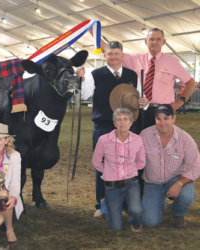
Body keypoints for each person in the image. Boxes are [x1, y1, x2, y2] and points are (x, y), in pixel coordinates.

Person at [79, 41, 148, 218]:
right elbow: (84, 95)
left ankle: (125, 202)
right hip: (103, 127)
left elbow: (140, 98)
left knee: (128, 163)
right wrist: (81, 79)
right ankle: (101, 203)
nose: (114, 57)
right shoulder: (95, 74)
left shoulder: (133, 75)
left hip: (127, 127)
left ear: (122, 56)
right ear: (105, 56)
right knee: (102, 165)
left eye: (117, 54)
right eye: (110, 54)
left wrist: (144, 102)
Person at [92, 28, 196, 131]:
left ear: (163, 42)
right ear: (146, 42)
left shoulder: (172, 62)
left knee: (159, 142)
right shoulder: (135, 59)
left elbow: (190, 82)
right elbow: (111, 50)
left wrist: (181, 101)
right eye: (151, 39)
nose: (154, 42)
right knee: (138, 140)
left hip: (162, 111)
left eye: (158, 39)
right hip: (138, 109)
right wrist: (93, 31)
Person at [140, 104, 200, 228]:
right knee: (149, 221)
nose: (162, 122)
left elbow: (196, 167)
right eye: (158, 119)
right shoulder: (144, 135)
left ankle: (178, 213)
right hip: (153, 184)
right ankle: (159, 203)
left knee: (187, 195)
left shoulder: (185, 139)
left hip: (175, 180)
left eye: (166, 118)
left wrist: (179, 184)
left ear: (173, 118)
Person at [92, 108, 145, 232]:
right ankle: (105, 205)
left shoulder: (137, 140)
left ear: (131, 122)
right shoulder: (104, 140)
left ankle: (135, 222)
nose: (122, 122)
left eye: (126, 119)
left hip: (131, 184)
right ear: (115, 123)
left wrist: (129, 171)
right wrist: (108, 172)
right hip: (112, 185)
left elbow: (141, 162)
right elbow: (96, 161)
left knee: (137, 211)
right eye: (119, 119)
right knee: (116, 227)